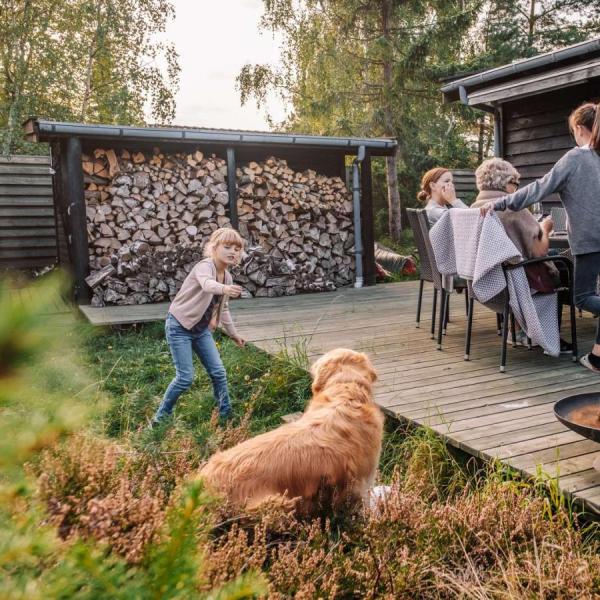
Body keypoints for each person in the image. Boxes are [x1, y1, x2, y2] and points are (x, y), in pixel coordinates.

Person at [479, 102, 600, 373]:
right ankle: (596, 358)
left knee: (583, 298)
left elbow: (537, 189)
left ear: (580, 129)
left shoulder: (576, 158)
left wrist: (499, 204)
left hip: (590, 241)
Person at [471, 158, 571, 352]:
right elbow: (539, 251)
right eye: (515, 183)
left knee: (547, 259)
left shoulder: (474, 208)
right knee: (563, 266)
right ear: (505, 183)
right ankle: (547, 335)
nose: (517, 189)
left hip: (489, 282)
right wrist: (545, 227)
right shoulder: (512, 207)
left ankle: (516, 329)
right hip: (517, 283)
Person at [152, 228, 246, 426]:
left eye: (237, 249)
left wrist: (234, 334)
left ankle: (225, 414)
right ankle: (160, 418)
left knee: (218, 372)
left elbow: (224, 308)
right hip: (179, 326)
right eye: (227, 247)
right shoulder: (204, 267)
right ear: (214, 248)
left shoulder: (227, 277)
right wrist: (225, 289)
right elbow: (207, 285)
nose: (232, 252)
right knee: (185, 378)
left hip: (200, 330)